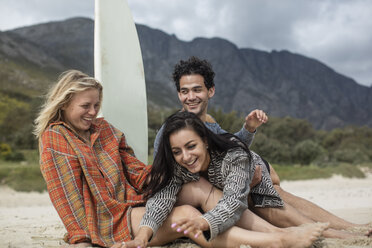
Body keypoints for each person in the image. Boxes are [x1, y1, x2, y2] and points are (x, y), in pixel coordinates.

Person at [153, 56, 372, 238]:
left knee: (275, 189)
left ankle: (348, 227)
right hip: (211, 195)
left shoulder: (209, 122)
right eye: (184, 91)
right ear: (179, 94)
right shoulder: (172, 130)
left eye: (197, 90)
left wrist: (248, 130)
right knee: (267, 191)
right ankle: (337, 234)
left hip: (233, 181)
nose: (190, 97)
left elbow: (227, 149)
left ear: (210, 91)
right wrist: (241, 181)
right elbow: (174, 175)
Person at [34, 70, 220, 248]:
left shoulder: (104, 129)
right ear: (64, 103)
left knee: (199, 188)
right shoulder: (55, 137)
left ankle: (249, 229)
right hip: (107, 222)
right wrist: (80, 238)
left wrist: (176, 169)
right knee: (187, 215)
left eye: (96, 105)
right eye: (85, 106)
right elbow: (66, 195)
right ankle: (245, 243)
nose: (92, 112)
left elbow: (137, 173)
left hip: (135, 202)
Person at [133, 111, 328, 248]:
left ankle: (339, 232)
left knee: (273, 196)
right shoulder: (178, 163)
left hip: (255, 174)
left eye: (191, 146)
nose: (185, 156)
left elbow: (234, 201)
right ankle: (293, 235)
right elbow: (162, 199)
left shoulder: (233, 154)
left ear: (205, 141)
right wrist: (143, 235)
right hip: (222, 192)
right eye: (177, 151)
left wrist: (204, 222)